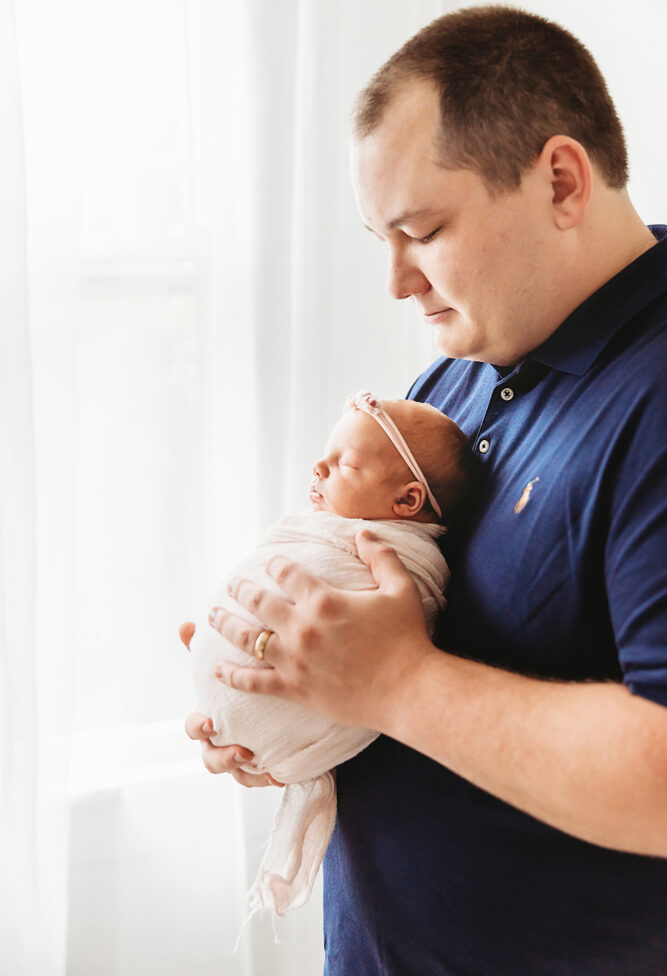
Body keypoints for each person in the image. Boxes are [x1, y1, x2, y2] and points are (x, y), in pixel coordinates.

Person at [184, 6, 667, 974]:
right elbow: (393, 648)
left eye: (421, 231)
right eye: (378, 237)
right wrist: (286, 699)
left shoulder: (665, 396)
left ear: (559, 180)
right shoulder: (447, 381)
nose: (395, 283)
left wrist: (395, 681)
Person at [183, 391, 471, 916]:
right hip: (362, 903)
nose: (319, 465)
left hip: (443, 898)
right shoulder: (440, 387)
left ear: (406, 504)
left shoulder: (393, 557)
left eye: (343, 463)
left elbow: (369, 642)